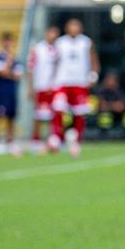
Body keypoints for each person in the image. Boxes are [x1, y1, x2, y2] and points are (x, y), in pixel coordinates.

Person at [49, 18, 99, 157]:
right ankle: (56, 138)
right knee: (59, 108)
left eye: (76, 26)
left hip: (80, 82)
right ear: (66, 28)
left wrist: (93, 75)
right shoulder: (60, 43)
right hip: (62, 81)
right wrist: (51, 80)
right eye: (71, 26)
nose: (74, 28)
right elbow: (54, 62)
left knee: (79, 112)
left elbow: (93, 59)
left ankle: (76, 140)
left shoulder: (86, 42)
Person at [26, 25, 58, 152]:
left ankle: (52, 141)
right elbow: (30, 69)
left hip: (55, 87)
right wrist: (30, 88)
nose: (53, 36)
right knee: (39, 115)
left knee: (54, 115)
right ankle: (36, 140)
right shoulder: (38, 49)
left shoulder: (58, 49)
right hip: (41, 86)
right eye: (51, 33)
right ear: (46, 34)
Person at [0, 32, 23, 156]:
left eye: (10, 41)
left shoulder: (16, 58)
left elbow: (18, 75)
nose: (8, 44)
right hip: (1, 91)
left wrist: (9, 72)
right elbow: (3, 72)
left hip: (12, 91)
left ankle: (10, 141)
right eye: (6, 41)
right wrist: (9, 64)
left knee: (11, 116)